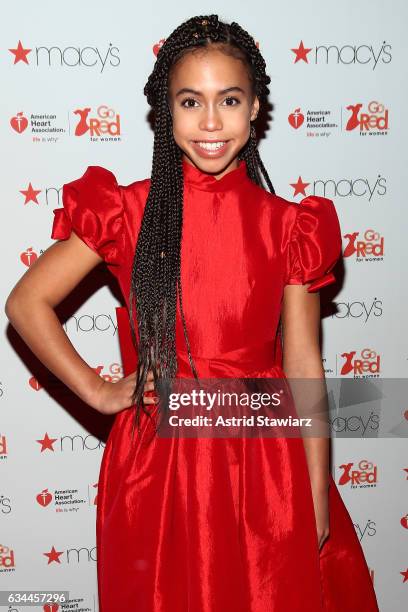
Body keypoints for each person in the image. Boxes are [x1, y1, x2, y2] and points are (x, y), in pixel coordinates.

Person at [5, 14, 379, 612]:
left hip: (264, 461)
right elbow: (26, 303)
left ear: (255, 107)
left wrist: (314, 488)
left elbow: (304, 364)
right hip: (160, 463)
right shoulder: (126, 211)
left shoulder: (290, 227)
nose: (210, 122)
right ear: (165, 112)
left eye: (229, 99)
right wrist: (100, 393)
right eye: (190, 101)